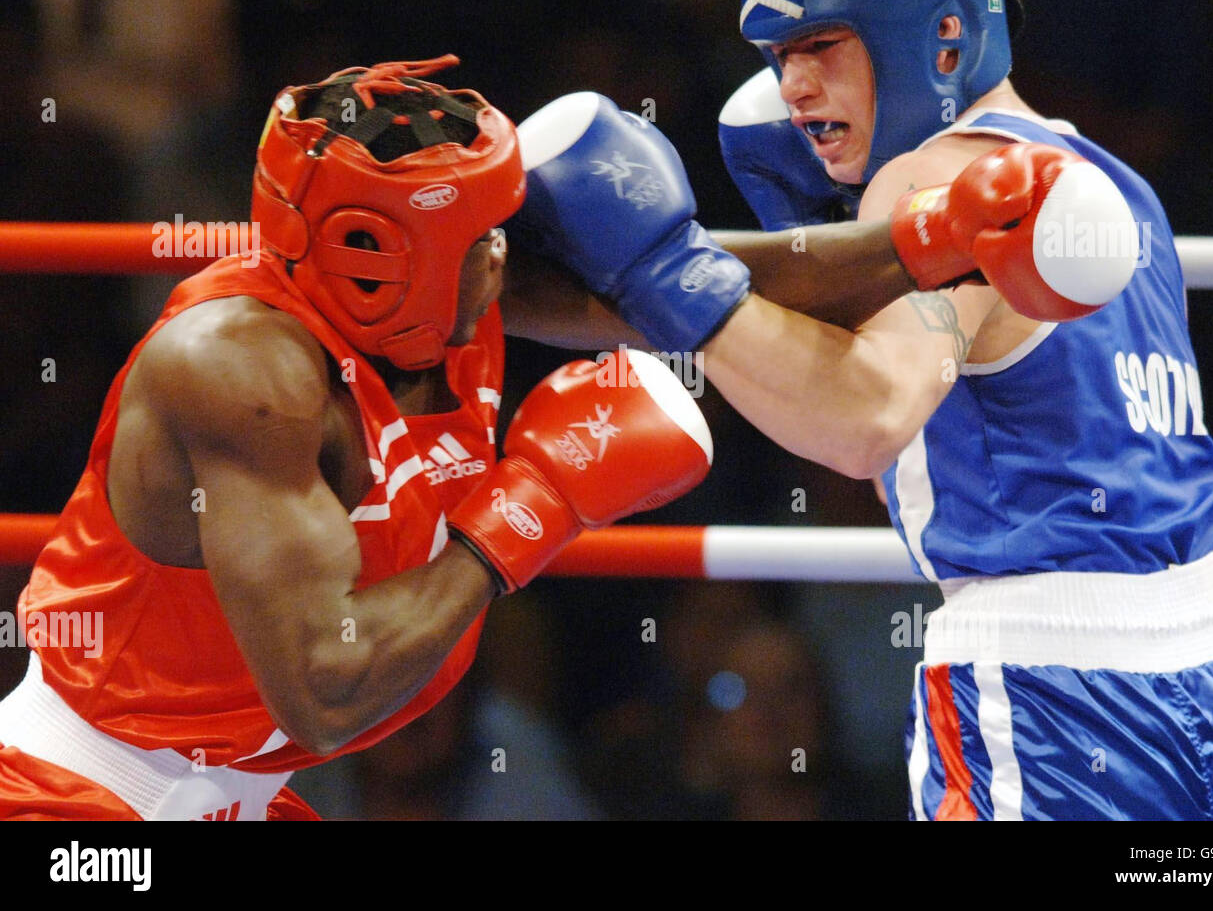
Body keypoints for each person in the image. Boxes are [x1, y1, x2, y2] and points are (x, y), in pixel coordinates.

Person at [506, 0, 1213, 820]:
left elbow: (866, 415)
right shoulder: (1112, 186)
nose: (793, 88)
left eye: (820, 46)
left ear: (942, 36)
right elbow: (942, 459)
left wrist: (663, 271)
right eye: (777, 57)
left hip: (1053, 697)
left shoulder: (932, 174)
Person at [0, 57, 714, 821]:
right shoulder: (237, 371)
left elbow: (713, 301)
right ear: (373, 258)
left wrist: (850, 246)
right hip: (67, 801)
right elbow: (326, 688)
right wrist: (531, 506)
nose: (503, 254)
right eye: (477, 237)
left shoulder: (447, 311)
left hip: (239, 800)